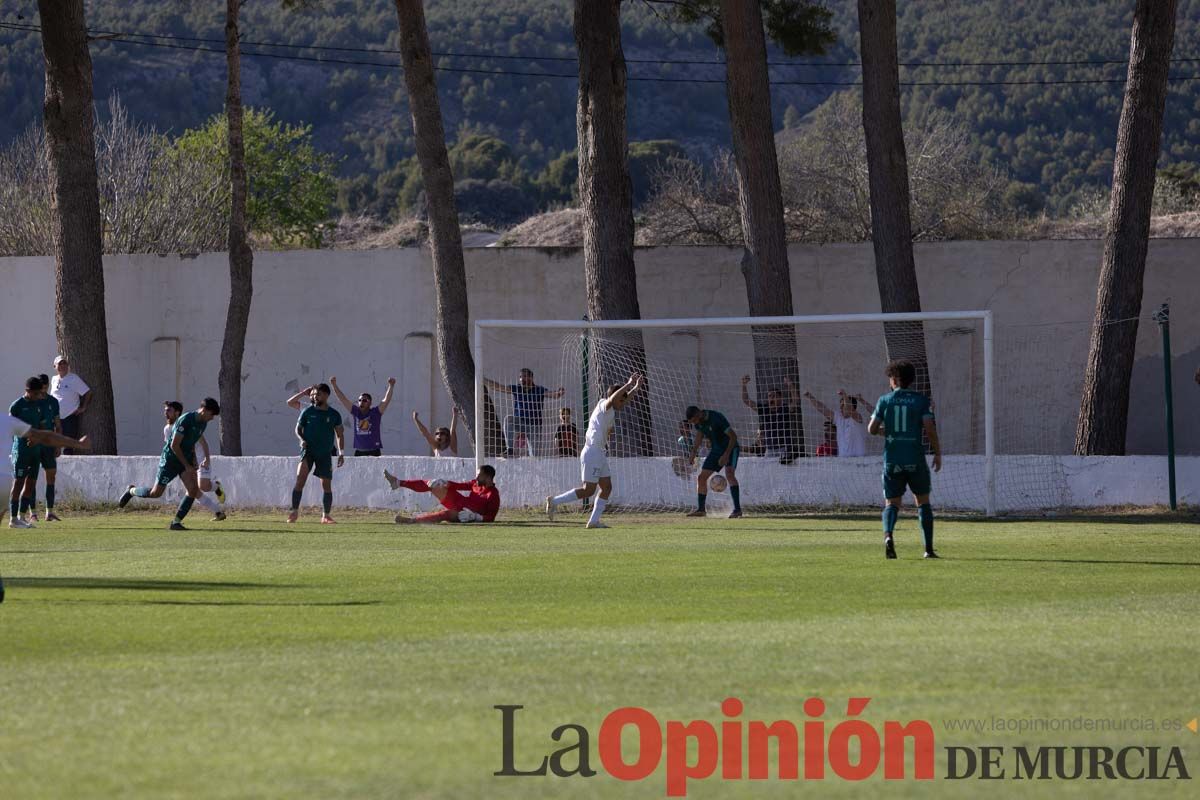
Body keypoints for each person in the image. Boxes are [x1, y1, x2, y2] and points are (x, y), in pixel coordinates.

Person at [544, 375, 643, 529]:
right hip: (592, 452)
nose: (623, 403)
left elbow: (622, 400)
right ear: (613, 397)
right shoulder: (604, 404)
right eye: (620, 399)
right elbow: (614, 399)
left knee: (607, 487)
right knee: (588, 490)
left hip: (599, 453)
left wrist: (635, 389)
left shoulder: (612, 409)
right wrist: (628, 384)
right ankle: (554, 501)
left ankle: (594, 521)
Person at [867, 359, 942, 560]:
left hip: (892, 460)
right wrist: (938, 453)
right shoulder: (921, 400)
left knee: (891, 503)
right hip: (915, 459)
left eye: (891, 378)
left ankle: (888, 536)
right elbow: (929, 429)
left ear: (895, 379)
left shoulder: (884, 400)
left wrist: (890, 432)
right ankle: (928, 549)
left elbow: (872, 429)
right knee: (923, 502)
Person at [117, 398, 226, 531]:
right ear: (204, 410)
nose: (212, 418)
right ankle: (131, 491)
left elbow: (192, 444)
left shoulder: (203, 423)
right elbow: (174, 446)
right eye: (212, 415)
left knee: (192, 490)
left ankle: (176, 522)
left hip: (184, 460)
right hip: (170, 460)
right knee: (155, 493)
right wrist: (187, 465)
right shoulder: (185, 420)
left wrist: (193, 462)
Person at [4, 402, 89, 536]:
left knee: (30, 484)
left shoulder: (41, 407)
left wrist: (76, 444)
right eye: (38, 393)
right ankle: (16, 518)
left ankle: (20, 517)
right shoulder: (15, 409)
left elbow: (47, 435)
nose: (40, 396)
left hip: (35, 453)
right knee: (18, 484)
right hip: (20, 455)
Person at [285, 383, 345, 524]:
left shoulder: (334, 414)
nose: (314, 397)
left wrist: (341, 453)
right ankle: (294, 512)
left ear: (326, 395)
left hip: (324, 454)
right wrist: (302, 440)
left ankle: (326, 516)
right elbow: (298, 429)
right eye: (312, 394)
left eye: (317, 394)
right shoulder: (307, 411)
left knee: (326, 485)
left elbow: (340, 434)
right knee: (300, 479)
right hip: (308, 451)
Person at [484, 368, 564, 456]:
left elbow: (552, 395)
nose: (522, 379)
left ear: (531, 378)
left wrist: (559, 393)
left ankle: (533, 458)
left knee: (534, 456)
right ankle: (510, 449)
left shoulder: (539, 390)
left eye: (525, 376)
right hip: (520, 422)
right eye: (520, 377)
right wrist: (483, 380)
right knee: (508, 419)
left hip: (534, 426)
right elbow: (499, 387)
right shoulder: (517, 389)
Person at [385, 465, 500, 524]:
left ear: (488, 478)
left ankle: (412, 521)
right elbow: (459, 486)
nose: (476, 478)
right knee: (434, 484)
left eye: (479, 476)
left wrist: (476, 517)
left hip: (465, 514)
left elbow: (491, 518)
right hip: (459, 502)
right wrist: (445, 482)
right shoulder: (475, 483)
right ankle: (398, 483)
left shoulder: (493, 495)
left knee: (445, 514)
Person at [683, 404, 742, 518]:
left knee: (729, 474)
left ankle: (737, 510)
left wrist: (726, 455)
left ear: (698, 413)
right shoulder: (698, 423)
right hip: (716, 450)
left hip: (730, 447)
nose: (694, 423)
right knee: (701, 477)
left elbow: (733, 436)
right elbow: (699, 436)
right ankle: (701, 510)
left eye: (694, 420)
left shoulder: (716, 417)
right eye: (692, 422)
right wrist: (693, 453)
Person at [163, 400, 225, 506]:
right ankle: (217, 512)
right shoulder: (167, 429)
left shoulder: (191, 423)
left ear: (177, 413)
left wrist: (207, 459)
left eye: (169, 410)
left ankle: (216, 486)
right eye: (165, 410)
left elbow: (203, 443)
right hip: (187, 461)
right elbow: (173, 448)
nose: (165, 413)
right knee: (193, 490)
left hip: (199, 458)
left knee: (203, 486)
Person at [23, 374, 62, 523]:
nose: (44, 387)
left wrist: (58, 444)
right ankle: (32, 513)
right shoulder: (32, 401)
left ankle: (49, 512)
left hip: (48, 443)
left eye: (46, 384)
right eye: (42, 385)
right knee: (31, 478)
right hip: (34, 443)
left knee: (51, 476)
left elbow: (58, 425)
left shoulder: (53, 402)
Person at [740, 375, 802, 463]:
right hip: (769, 450)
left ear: (780, 398)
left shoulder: (784, 409)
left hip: (784, 448)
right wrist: (744, 385)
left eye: (774, 396)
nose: (771, 398)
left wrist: (791, 385)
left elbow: (796, 402)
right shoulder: (765, 410)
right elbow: (746, 400)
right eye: (769, 396)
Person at [330, 376, 394, 456]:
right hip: (359, 451)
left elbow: (386, 400)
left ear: (370, 403)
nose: (361, 402)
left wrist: (391, 386)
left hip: (374, 451)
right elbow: (343, 399)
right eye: (359, 400)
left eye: (364, 400)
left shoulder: (375, 412)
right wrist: (334, 385)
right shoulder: (355, 412)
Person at [804, 389, 869, 457]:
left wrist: (844, 395)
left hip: (859, 461)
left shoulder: (858, 418)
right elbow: (823, 409)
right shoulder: (839, 418)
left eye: (843, 405)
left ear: (852, 406)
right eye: (840, 405)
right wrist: (810, 397)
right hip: (842, 461)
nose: (840, 408)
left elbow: (850, 410)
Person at [49, 355, 90, 452]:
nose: (63, 366)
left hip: (69, 417)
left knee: (68, 446)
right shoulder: (54, 379)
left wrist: (83, 407)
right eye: (60, 364)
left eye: (65, 363)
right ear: (55, 366)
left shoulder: (74, 378)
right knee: (54, 443)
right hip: (55, 417)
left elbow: (88, 392)